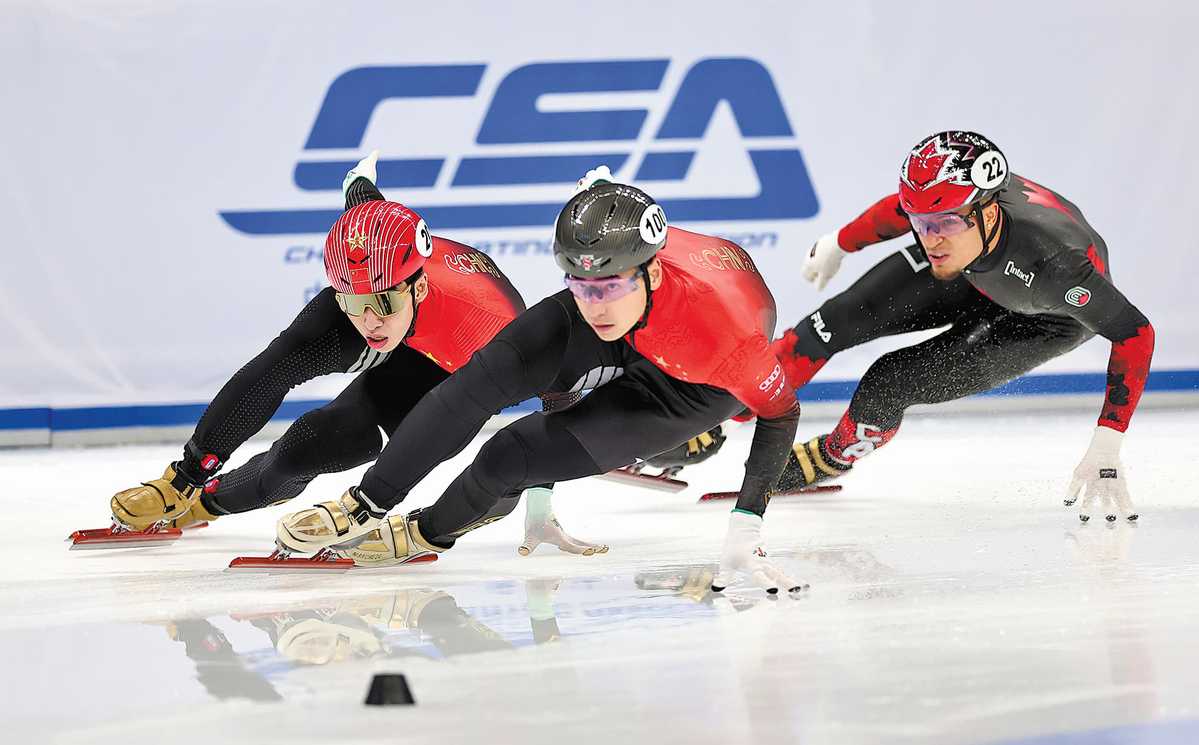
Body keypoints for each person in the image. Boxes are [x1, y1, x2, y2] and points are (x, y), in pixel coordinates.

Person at [273, 171, 805, 593]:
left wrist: (746, 524)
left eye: (607, 288)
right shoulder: (602, 289)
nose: (593, 304)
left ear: (654, 272)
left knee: (509, 456)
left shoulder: (727, 337)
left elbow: (782, 413)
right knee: (480, 380)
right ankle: (365, 503)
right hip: (644, 319)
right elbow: (525, 373)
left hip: (690, 382)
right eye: (579, 283)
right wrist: (539, 500)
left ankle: (426, 531)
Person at [104, 152, 603, 555]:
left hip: (453, 362)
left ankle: (210, 504)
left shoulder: (492, 326)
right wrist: (187, 474)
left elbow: (555, 404)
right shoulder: (366, 278)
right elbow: (364, 207)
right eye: (352, 302)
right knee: (288, 380)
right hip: (416, 321)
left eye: (381, 303)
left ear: (419, 286)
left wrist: (539, 510)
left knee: (318, 448)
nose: (369, 321)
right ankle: (187, 490)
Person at [768, 131, 1154, 522]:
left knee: (888, 383)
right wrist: (840, 243)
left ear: (989, 213)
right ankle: (737, 404)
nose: (930, 238)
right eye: (921, 222)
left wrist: (1108, 439)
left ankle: (831, 455)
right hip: (973, 264)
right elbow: (901, 209)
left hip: (1042, 321)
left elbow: (1135, 333)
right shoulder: (954, 216)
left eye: (945, 223)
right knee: (835, 322)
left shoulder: (1057, 266)